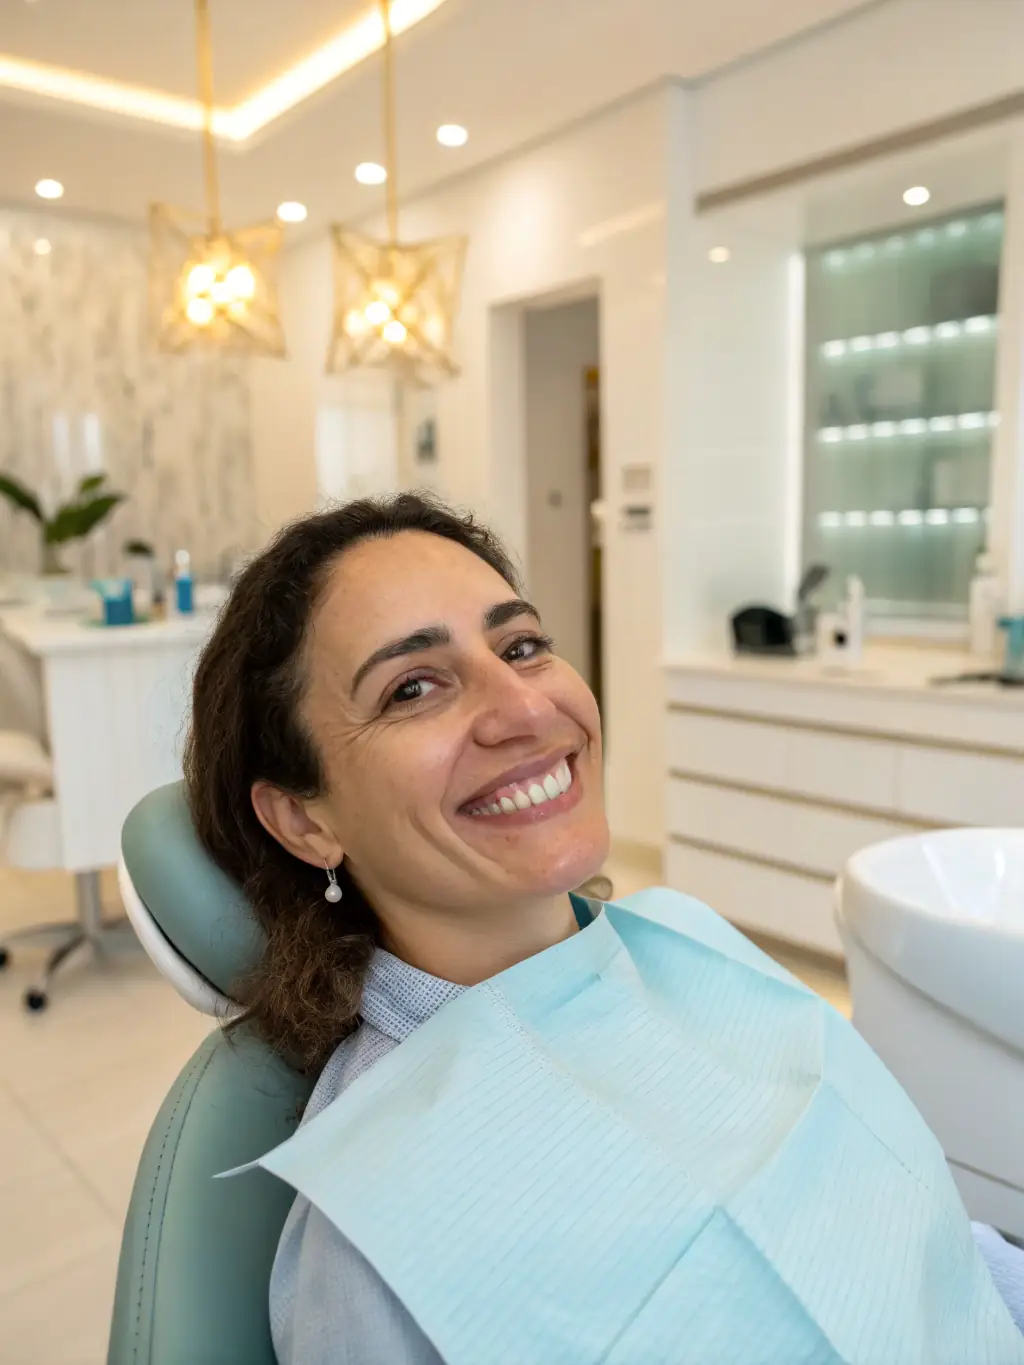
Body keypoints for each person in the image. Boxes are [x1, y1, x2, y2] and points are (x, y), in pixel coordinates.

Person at [184, 494, 1024, 1365]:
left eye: (521, 646)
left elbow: (933, 1241)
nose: (524, 708)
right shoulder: (374, 1235)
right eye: (413, 687)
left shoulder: (688, 941)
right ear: (303, 820)